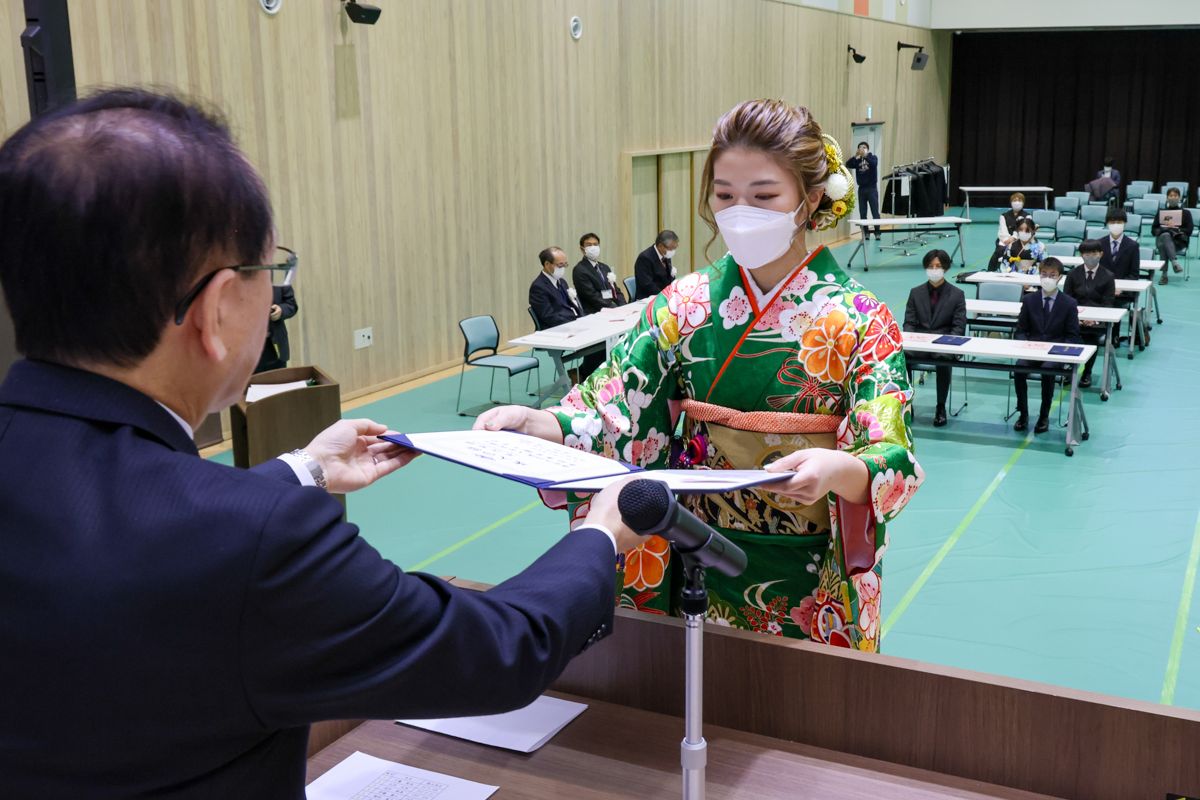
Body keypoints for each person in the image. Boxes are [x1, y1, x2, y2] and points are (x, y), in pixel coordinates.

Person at [0, 88, 643, 796]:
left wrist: (303, 471)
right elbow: (497, 650)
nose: (272, 300)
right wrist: (598, 535)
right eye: (266, 277)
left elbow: (125, 529)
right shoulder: (254, 543)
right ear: (215, 311)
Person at [477, 99, 923, 651]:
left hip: (809, 567)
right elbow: (615, 401)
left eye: (763, 197)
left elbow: (891, 454)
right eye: (724, 195)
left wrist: (841, 467)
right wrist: (543, 424)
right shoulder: (685, 303)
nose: (740, 212)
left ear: (810, 200)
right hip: (693, 551)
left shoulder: (860, 318)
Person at [1012, 258, 1081, 434]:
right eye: (1044, 274)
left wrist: (1058, 351)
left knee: (1048, 370)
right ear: (1039, 275)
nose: (1047, 278)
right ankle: (1023, 413)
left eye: (1052, 275)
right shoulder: (1029, 300)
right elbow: (1020, 330)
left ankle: (1044, 416)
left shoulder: (1069, 303)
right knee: (1019, 368)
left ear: (1059, 278)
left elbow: (1072, 336)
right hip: (1032, 350)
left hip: (1054, 354)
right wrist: (1025, 345)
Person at [903, 249, 966, 427]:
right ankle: (907, 404)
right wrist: (913, 340)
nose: (934, 269)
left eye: (938, 266)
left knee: (944, 359)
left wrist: (946, 344)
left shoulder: (957, 294)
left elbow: (958, 327)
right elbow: (909, 323)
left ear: (945, 268)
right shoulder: (915, 293)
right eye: (930, 266)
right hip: (919, 343)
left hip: (943, 345)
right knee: (902, 356)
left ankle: (940, 406)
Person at [529, 246, 604, 377]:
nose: (563, 268)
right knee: (598, 346)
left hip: (570, 325)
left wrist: (582, 319)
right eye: (560, 265)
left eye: (565, 264)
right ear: (547, 264)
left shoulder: (561, 282)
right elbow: (548, 316)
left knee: (603, 342)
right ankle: (583, 376)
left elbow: (571, 305)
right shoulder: (538, 287)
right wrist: (574, 322)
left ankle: (582, 374)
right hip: (554, 330)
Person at [1063, 239, 1116, 389]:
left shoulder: (1108, 276)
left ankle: (1087, 371)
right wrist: (1077, 319)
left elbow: (1108, 303)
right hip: (1075, 318)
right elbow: (1067, 300)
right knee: (1069, 334)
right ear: (1081, 255)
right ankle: (1068, 367)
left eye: (1094, 253)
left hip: (1097, 321)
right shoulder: (1073, 274)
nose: (1090, 256)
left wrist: (1094, 319)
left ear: (1101, 254)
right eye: (1087, 253)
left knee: (1091, 338)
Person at [572, 232, 627, 314]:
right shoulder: (579, 270)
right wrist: (613, 307)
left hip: (612, 307)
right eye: (589, 245)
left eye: (595, 244)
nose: (593, 247)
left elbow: (615, 290)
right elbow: (592, 296)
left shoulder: (604, 267)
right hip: (595, 310)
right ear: (582, 249)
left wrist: (623, 305)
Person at [1150, 187, 1192, 283]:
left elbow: (1189, 230)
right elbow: (1153, 230)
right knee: (1165, 236)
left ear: (1179, 198)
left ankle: (1164, 275)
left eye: (1175, 196)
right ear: (1167, 198)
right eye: (1171, 196)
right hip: (1162, 239)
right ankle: (1174, 263)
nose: (1173, 198)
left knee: (1164, 245)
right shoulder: (1161, 213)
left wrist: (1176, 228)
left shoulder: (1186, 213)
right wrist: (1164, 228)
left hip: (1179, 242)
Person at [255, 282, 297, 372]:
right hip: (247, 348)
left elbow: (291, 304)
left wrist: (281, 310)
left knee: (278, 381)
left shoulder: (279, 276)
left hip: (275, 344)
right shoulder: (239, 274)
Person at [986, 192, 1034, 270]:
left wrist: (1013, 238)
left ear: (1023, 203)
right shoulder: (1004, 216)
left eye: (1019, 200)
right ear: (1011, 202)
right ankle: (990, 271)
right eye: (1015, 200)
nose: (1017, 202)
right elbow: (1002, 230)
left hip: (1020, 241)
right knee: (999, 251)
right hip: (1005, 241)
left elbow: (1025, 231)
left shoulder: (1027, 216)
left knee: (1013, 251)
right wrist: (1007, 240)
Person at [844, 141, 878, 239]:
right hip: (862, 189)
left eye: (863, 147)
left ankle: (877, 232)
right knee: (863, 213)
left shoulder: (873, 157)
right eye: (860, 148)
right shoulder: (858, 161)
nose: (861, 149)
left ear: (867, 149)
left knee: (874, 211)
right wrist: (856, 156)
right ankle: (866, 233)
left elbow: (874, 164)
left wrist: (866, 155)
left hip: (872, 188)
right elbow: (848, 164)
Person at [633, 229, 678, 299]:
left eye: (675, 248)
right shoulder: (645, 258)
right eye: (671, 248)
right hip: (648, 298)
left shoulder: (666, 255)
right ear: (660, 246)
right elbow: (647, 284)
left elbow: (668, 278)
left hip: (664, 296)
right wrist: (664, 297)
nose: (673, 251)